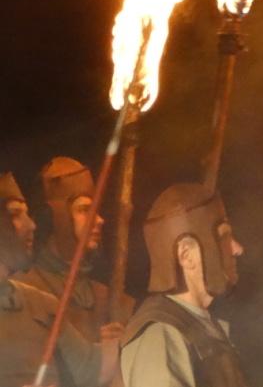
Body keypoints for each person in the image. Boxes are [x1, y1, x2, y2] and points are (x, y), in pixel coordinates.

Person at [120, 183, 246, 387]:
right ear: (186, 256)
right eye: (224, 238)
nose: (237, 249)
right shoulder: (161, 335)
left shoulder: (200, 326)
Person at [0, 171, 118, 387]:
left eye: (26, 214)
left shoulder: (41, 305)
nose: (31, 225)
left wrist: (122, 341)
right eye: (15, 214)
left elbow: (93, 369)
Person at [16, 157, 131, 344]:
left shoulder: (107, 297)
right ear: (55, 218)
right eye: (84, 209)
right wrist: (95, 351)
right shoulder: (22, 291)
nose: (99, 220)